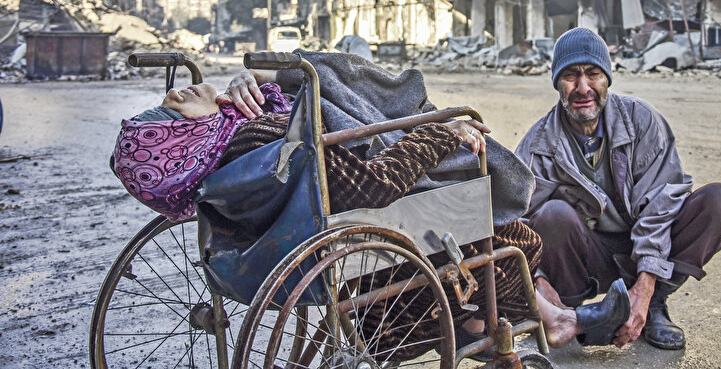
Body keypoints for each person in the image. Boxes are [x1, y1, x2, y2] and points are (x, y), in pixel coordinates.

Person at [113, 74, 629, 360]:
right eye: (170, 109)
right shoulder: (255, 138)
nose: (177, 93)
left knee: (492, 233)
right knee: (514, 239)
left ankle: (537, 320)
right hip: (352, 243)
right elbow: (371, 184)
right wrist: (439, 134)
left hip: (294, 244)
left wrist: (264, 82)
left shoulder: (227, 153)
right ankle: (524, 325)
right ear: (184, 145)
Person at [515, 27, 721, 350]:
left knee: (719, 202)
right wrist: (538, 281)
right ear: (557, 84)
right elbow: (514, 221)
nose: (582, 88)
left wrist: (645, 289)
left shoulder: (641, 120)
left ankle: (655, 305)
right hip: (589, 254)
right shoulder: (539, 143)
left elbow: (662, 205)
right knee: (552, 214)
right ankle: (576, 317)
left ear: (607, 79)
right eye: (570, 76)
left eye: (593, 74)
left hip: (649, 244)